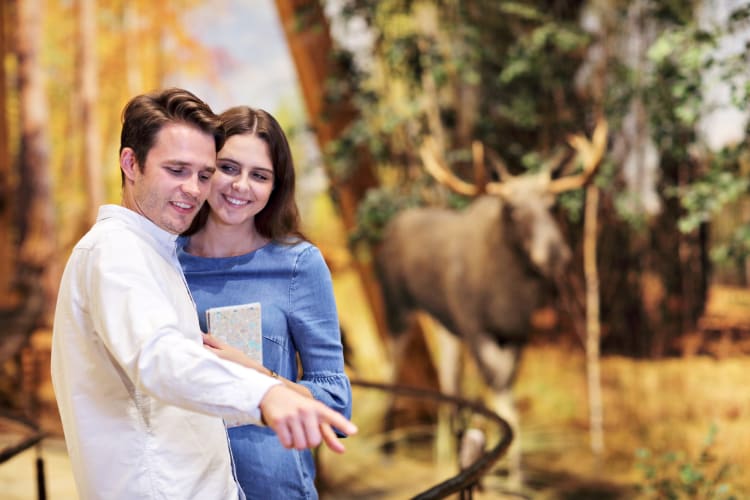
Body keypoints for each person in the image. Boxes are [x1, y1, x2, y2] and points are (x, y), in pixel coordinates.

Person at [50, 88, 356, 500]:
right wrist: (264, 393)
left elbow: (335, 401)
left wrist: (266, 380)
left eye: (203, 173)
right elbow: (159, 357)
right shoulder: (118, 252)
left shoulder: (157, 252)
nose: (194, 188)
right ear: (130, 163)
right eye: (177, 170)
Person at [178, 105, 351, 500]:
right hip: (185, 484)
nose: (241, 185)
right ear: (206, 168)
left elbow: (337, 408)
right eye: (228, 167)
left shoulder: (297, 265)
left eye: (259, 175)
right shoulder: (167, 262)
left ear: (276, 187)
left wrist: (259, 377)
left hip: (275, 489)